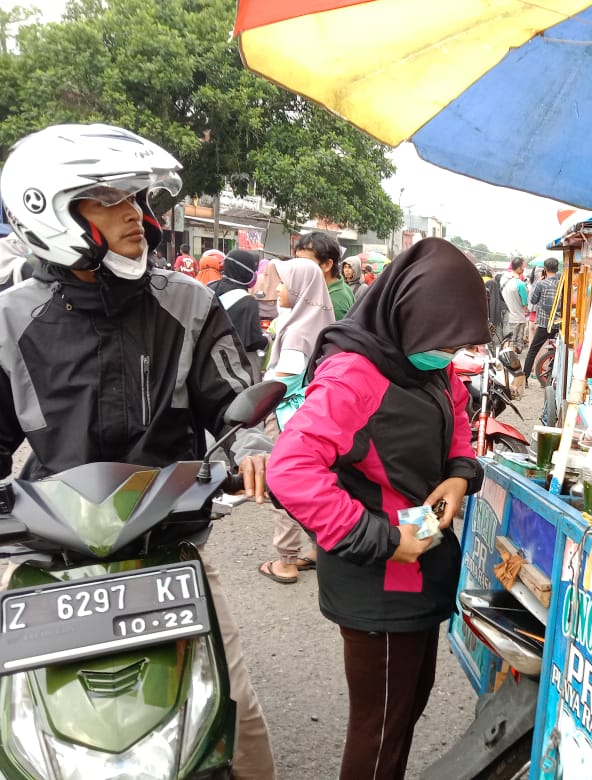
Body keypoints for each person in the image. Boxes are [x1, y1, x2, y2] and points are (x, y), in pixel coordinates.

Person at [0, 123, 275, 778]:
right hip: (45, 550)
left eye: (137, 200)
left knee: (238, 721)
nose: (137, 217)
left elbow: (234, 402)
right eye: (109, 200)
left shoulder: (190, 302)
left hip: (165, 545)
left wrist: (256, 446)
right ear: (51, 211)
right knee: (16, 723)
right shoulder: (10, 319)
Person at [265, 237, 491, 780]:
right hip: (378, 578)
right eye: (444, 338)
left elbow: (457, 418)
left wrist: (460, 476)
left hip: (421, 561)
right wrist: (385, 539)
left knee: (408, 706)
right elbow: (289, 471)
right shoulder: (355, 375)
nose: (450, 351)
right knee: (379, 730)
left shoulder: (426, 364)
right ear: (406, 311)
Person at [257, 258, 335, 584]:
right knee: (315, 483)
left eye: (284, 284)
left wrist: (255, 394)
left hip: (287, 416)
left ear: (301, 289)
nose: (277, 289)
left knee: (283, 488)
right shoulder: (320, 322)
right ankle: (318, 549)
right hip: (314, 417)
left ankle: (286, 560)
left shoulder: (298, 332)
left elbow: (282, 382)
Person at [211, 249, 268, 379]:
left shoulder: (210, 287)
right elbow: (253, 341)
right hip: (235, 366)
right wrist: (268, 339)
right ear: (245, 270)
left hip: (210, 360)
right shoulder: (248, 301)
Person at [294, 231, 355, 319]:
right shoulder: (338, 287)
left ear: (327, 265)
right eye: (296, 260)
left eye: (305, 262)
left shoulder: (331, 304)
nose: (297, 267)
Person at [522, 257, 562, 382]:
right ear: (557, 268)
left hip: (545, 323)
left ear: (545, 269)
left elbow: (533, 300)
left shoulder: (541, 283)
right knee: (561, 350)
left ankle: (525, 378)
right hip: (559, 323)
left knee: (533, 350)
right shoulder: (563, 283)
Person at [499, 256, 529, 350]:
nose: (524, 269)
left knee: (508, 342)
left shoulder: (503, 279)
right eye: (523, 267)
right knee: (517, 344)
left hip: (507, 317)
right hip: (518, 318)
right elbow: (525, 304)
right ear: (519, 267)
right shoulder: (520, 284)